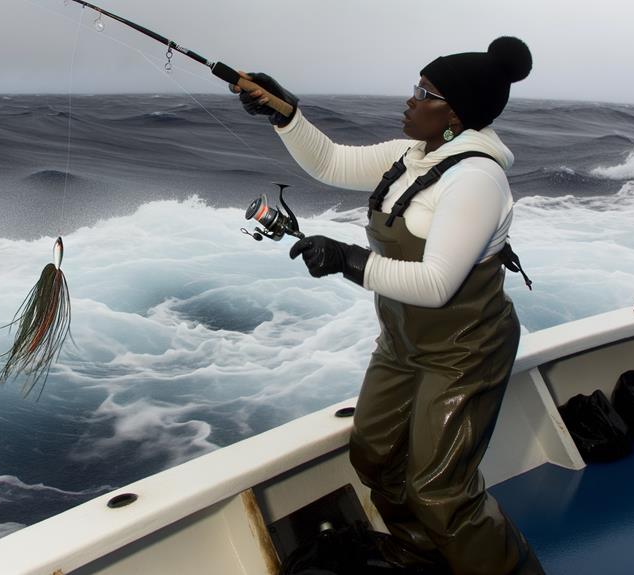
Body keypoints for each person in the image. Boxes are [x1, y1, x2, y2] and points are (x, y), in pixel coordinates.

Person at [232, 37, 544, 575]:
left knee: (439, 490)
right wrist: (286, 115)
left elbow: (437, 283)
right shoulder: (412, 155)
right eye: (416, 87)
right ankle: (418, 553)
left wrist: (348, 259)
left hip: (464, 352)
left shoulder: (476, 179)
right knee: (373, 456)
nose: (410, 99)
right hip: (403, 343)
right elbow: (331, 162)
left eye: (425, 92)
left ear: (456, 114)